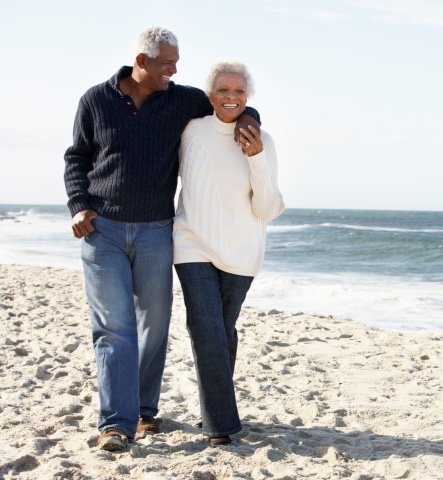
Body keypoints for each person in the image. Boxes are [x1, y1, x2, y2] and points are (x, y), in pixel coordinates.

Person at [63, 27, 260, 452]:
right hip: (103, 231)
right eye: (167, 62)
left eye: (176, 62)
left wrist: (250, 119)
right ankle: (116, 424)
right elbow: (76, 157)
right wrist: (78, 204)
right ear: (142, 61)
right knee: (114, 328)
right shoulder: (95, 101)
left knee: (153, 328)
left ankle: (144, 410)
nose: (174, 69)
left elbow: (230, 103)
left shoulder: (181, 100)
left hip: (156, 230)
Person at [173, 60, 285, 447]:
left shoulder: (262, 140)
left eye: (239, 91)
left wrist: (255, 158)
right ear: (210, 96)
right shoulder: (191, 131)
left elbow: (267, 209)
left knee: (221, 332)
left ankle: (213, 410)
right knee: (205, 328)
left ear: (247, 97)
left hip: (242, 252)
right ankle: (221, 426)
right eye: (223, 90)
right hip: (192, 243)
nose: (231, 97)